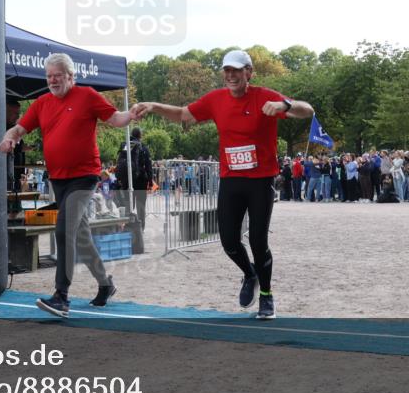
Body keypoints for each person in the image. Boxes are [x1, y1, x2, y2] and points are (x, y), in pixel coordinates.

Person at [131, 49, 314, 319]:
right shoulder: (216, 100)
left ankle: (266, 295)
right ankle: (249, 274)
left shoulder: (265, 97)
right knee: (228, 241)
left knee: (258, 241)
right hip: (231, 180)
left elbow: (307, 110)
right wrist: (155, 106)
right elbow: (184, 114)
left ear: (248, 73)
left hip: (260, 181)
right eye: (227, 71)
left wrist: (285, 105)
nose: (231, 76)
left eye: (236, 71)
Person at [0, 53, 138, 317]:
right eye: (49, 76)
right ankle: (105, 285)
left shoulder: (87, 96)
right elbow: (19, 129)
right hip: (58, 178)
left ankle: (61, 297)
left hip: (84, 177)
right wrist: (9, 137)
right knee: (81, 237)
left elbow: (115, 118)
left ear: (71, 76)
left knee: (64, 231)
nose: (52, 80)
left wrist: (129, 115)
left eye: (57, 76)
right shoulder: (42, 103)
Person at [115, 127, 153, 231]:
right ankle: (141, 229)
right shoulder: (143, 147)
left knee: (128, 206)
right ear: (140, 135)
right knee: (141, 206)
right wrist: (150, 181)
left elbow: (120, 161)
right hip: (141, 180)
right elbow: (148, 165)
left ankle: (129, 228)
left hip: (127, 180)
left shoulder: (126, 145)